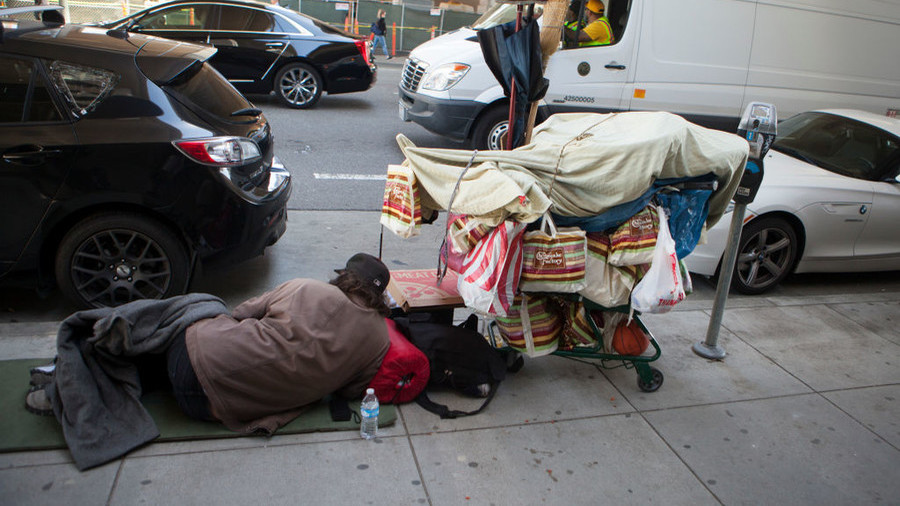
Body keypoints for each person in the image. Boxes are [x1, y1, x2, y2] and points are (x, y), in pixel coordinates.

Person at [25, 253, 392, 469]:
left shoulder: (305, 287)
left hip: (192, 356)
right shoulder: (378, 337)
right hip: (214, 407)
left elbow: (239, 314)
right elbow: (352, 389)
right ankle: (82, 371)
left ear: (344, 277)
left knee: (201, 306)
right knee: (171, 361)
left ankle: (81, 358)